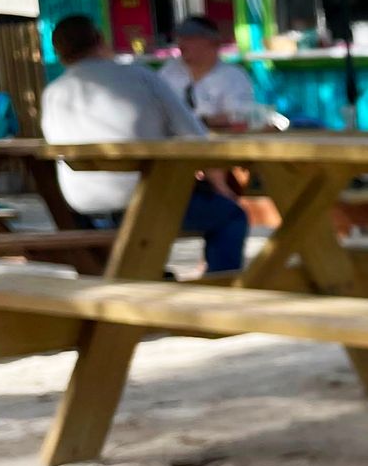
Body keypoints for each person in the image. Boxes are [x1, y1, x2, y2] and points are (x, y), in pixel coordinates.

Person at [41, 15, 249, 274]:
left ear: (60, 53)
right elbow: (196, 139)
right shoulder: (140, 77)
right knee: (231, 216)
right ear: (100, 39)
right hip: (144, 201)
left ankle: (154, 277)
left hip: (83, 207)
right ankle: (222, 291)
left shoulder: (52, 93)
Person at [158, 14, 259, 127]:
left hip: (217, 141)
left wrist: (204, 122)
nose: (181, 44)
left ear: (212, 42)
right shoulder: (168, 72)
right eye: (180, 38)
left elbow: (239, 116)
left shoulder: (232, 76)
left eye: (189, 39)